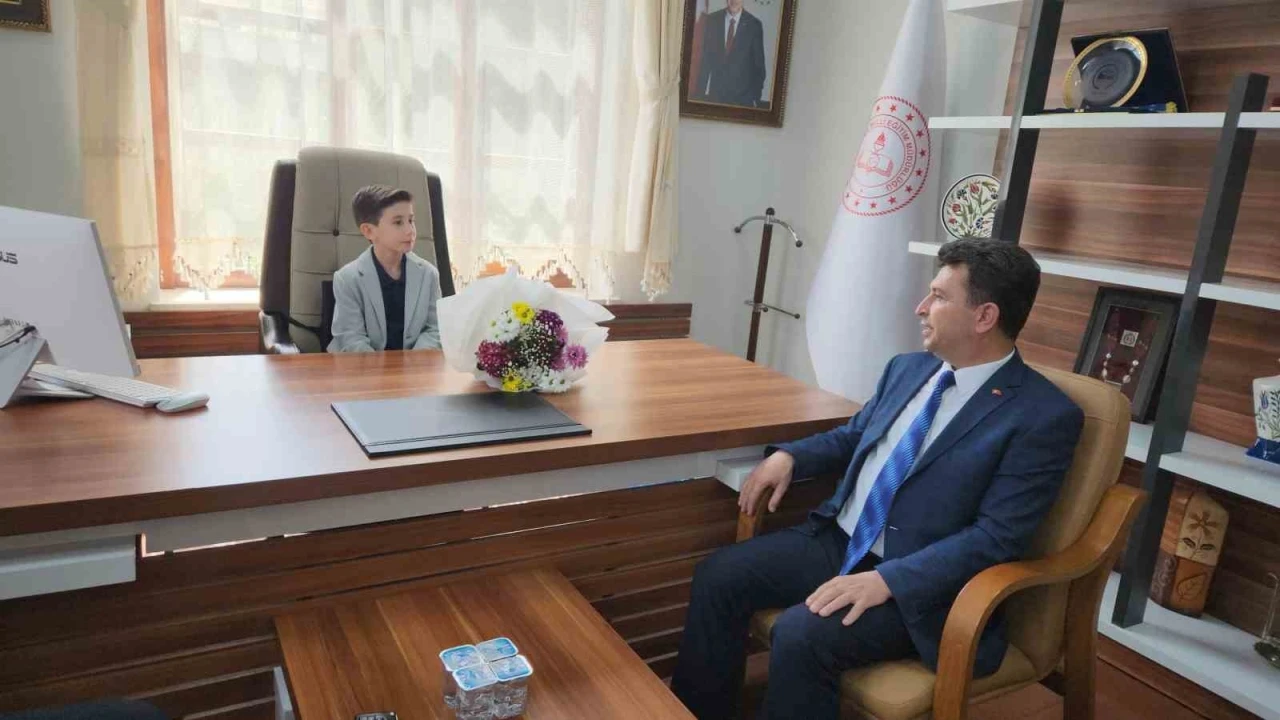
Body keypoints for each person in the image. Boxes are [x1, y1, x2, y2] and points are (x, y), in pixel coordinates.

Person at [669, 239, 1084, 720]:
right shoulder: (908, 369)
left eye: (938, 296)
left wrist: (889, 580)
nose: (920, 307)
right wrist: (791, 457)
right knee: (719, 575)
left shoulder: (1042, 415)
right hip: (839, 541)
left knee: (802, 634)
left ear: (984, 316)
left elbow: (997, 537)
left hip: (922, 587)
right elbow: (855, 436)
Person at [328, 185, 442, 353]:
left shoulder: (428, 274)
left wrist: (414, 361)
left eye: (411, 220)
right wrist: (381, 368)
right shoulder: (347, 279)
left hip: (415, 365)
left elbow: (435, 329)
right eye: (398, 222)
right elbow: (351, 338)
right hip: (363, 365)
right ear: (369, 231)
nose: (410, 230)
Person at [694, 0, 766, 108]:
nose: (734, 1)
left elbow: (759, 67)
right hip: (716, 98)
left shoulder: (754, 25)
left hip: (743, 101)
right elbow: (705, 63)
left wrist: (755, 98)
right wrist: (698, 98)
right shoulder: (712, 20)